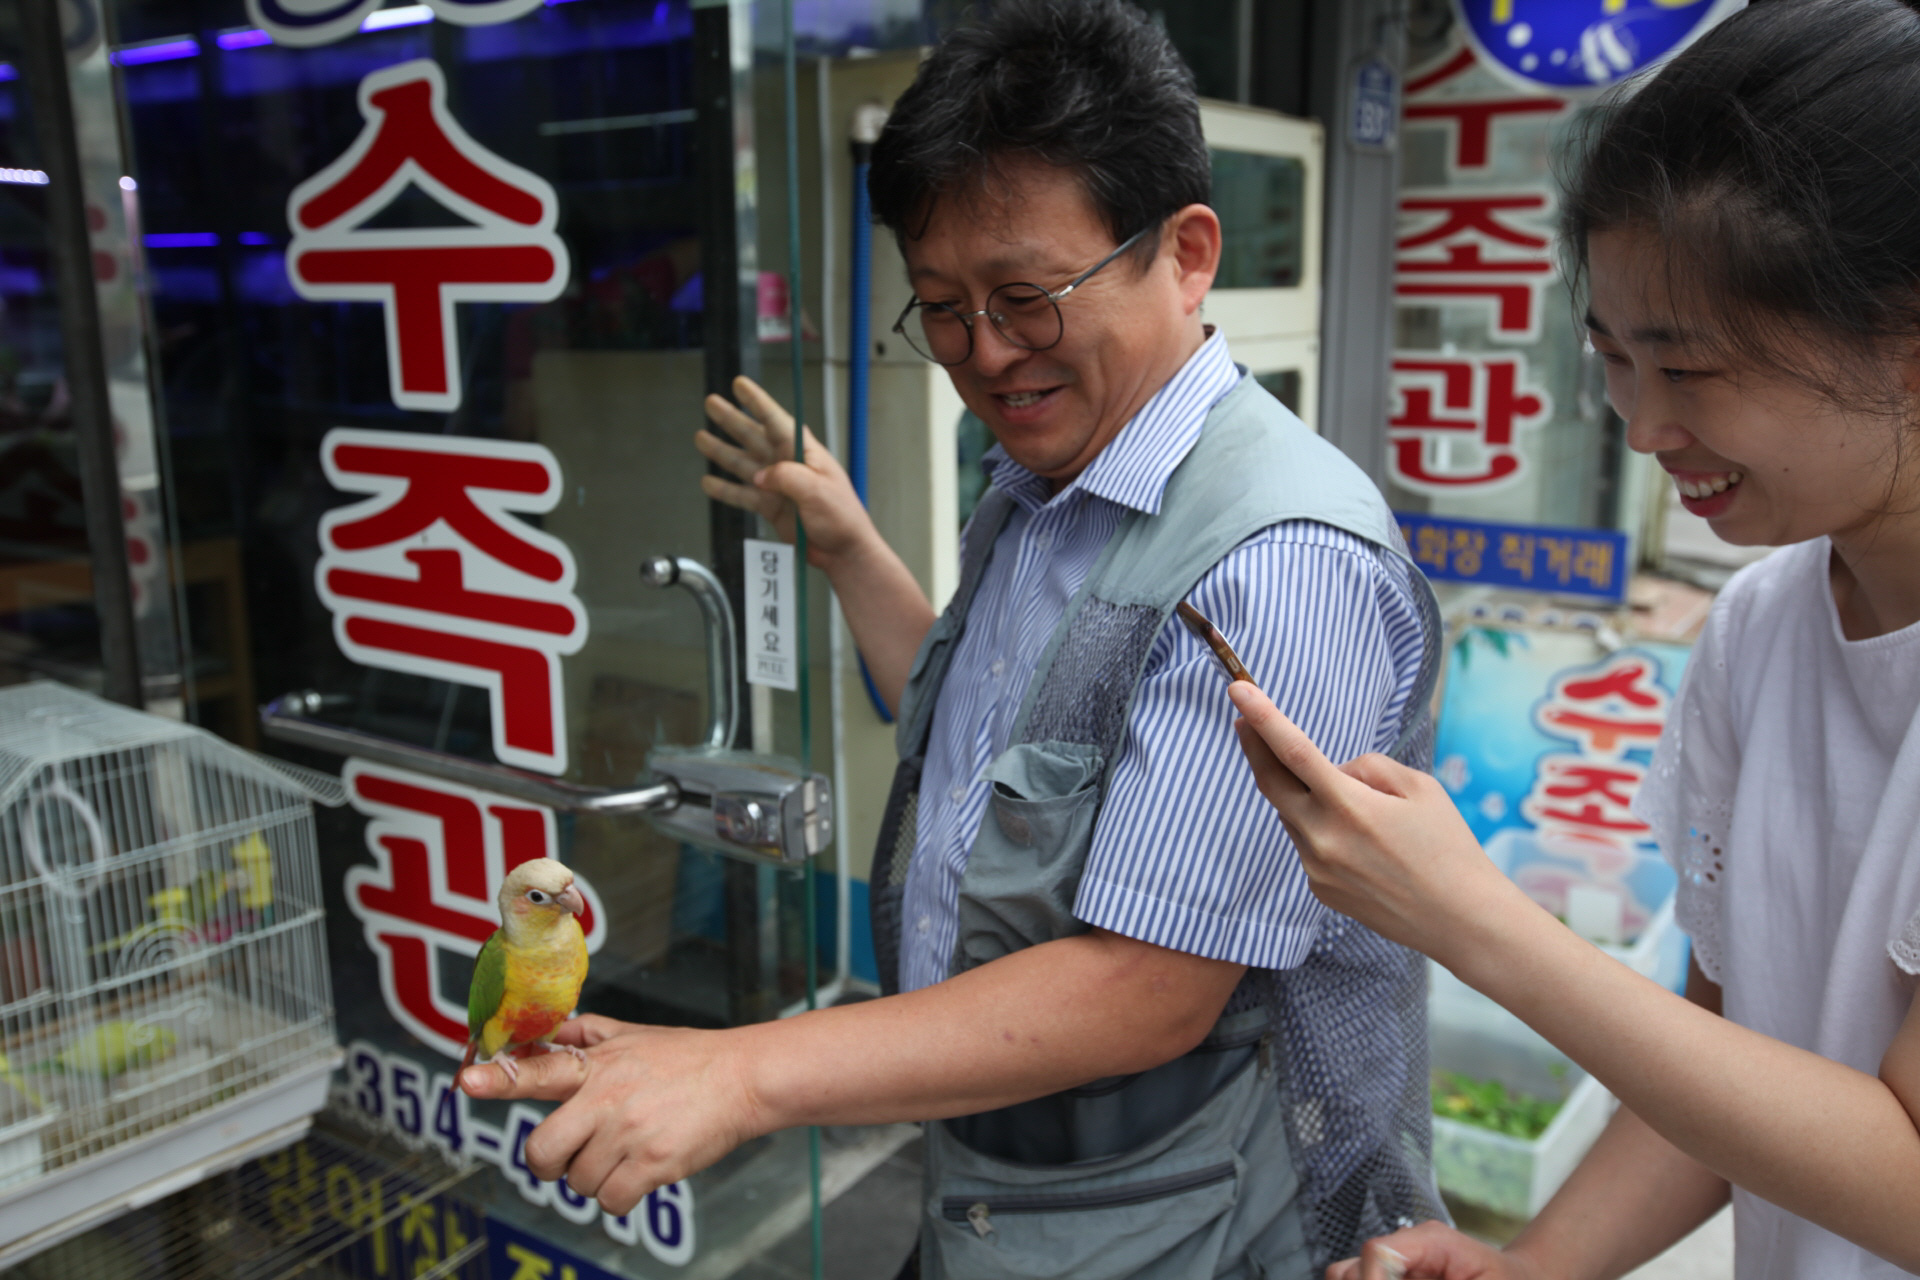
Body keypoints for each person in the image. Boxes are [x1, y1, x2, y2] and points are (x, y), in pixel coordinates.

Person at [462, 3, 1446, 1275]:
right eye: (940, 305)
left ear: (1186, 253)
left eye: (1027, 297)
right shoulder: (1051, 479)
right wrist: (847, 543)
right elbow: (984, 745)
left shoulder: (1275, 560)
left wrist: (742, 1072)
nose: (985, 353)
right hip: (1014, 1189)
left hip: (1185, 1216)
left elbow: (1150, 983)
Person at [1227, 4, 1920, 1278]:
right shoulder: (1760, 625)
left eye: (1690, 369)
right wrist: (1531, 1266)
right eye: (1613, 358)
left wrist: (1475, 921)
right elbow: (1729, 1069)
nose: (1641, 427)